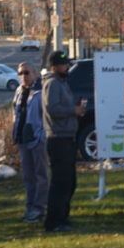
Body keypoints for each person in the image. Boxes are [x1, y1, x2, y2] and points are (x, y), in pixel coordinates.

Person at [43, 51, 86, 232]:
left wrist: (77, 109)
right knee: (60, 183)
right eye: (63, 64)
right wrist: (73, 110)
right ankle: (53, 222)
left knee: (70, 182)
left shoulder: (63, 83)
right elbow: (53, 109)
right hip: (58, 139)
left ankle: (63, 217)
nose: (67, 67)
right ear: (54, 67)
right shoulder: (52, 84)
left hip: (68, 138)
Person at [12, 62, 48, 223]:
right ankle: (30, 206)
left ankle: (40, 208)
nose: (23, 76)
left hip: (37, 139)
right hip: (22, 139)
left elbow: (46, 117)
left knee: (41, 175)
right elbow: (16, 113)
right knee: (28, 176)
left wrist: (40, 136)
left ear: (35, 74)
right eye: (20, 73)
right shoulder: (19, 91)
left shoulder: (41, 92)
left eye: (26, 73)